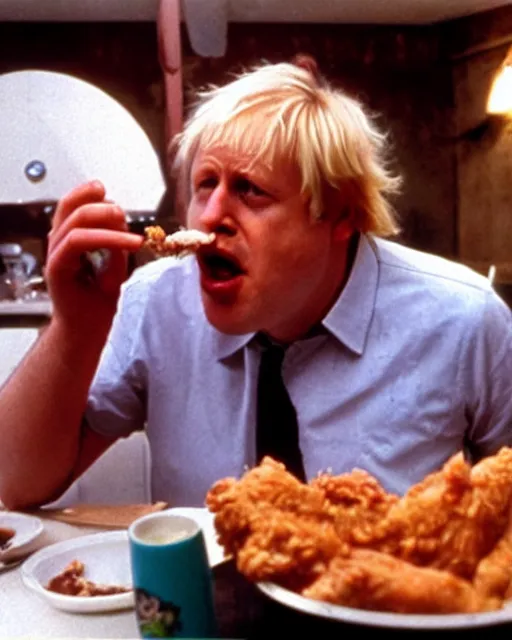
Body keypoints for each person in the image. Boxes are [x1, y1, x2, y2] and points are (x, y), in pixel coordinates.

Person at [0, 58, 511, 510]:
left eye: (251, 190)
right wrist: (74, 327)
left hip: (387, 610)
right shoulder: (154, 303)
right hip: (203, 613)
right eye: (205, 185)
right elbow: (16, 484)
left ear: (340, 215)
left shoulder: (465, 321)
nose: (212, 216)